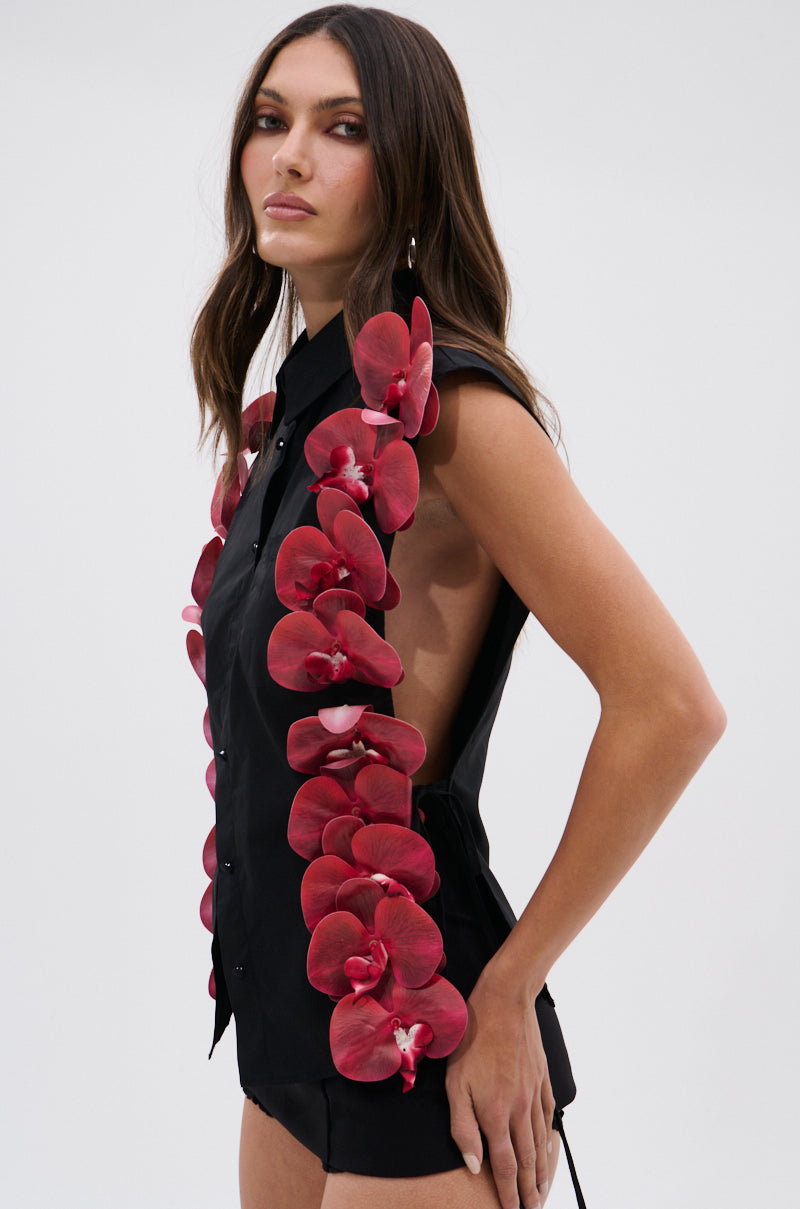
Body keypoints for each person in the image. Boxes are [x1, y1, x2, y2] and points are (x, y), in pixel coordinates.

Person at [187, 7, 726, 1209]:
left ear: (413, 164)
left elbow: (671, 705)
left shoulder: (459, 415)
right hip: (282, 1023)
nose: (289, 157)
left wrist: (506, 993)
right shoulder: (293, 419)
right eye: (270, 122)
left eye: (343, 129)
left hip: (415, 1038)